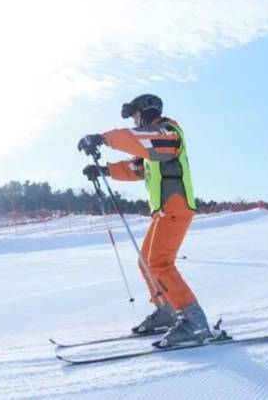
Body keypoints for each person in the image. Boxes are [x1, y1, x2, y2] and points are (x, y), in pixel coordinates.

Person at [77, 94, 211, 347]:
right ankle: (167, 309)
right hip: (163, 211)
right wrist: (104, 170)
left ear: (147, 112)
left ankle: (194, 322)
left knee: (160, 263)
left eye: (136, 116)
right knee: (146, 262)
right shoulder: (153, 145)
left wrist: (104, 138)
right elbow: (136, 168)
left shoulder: (168, 133)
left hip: (176, 206)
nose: (135, 122)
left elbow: (143, 141)